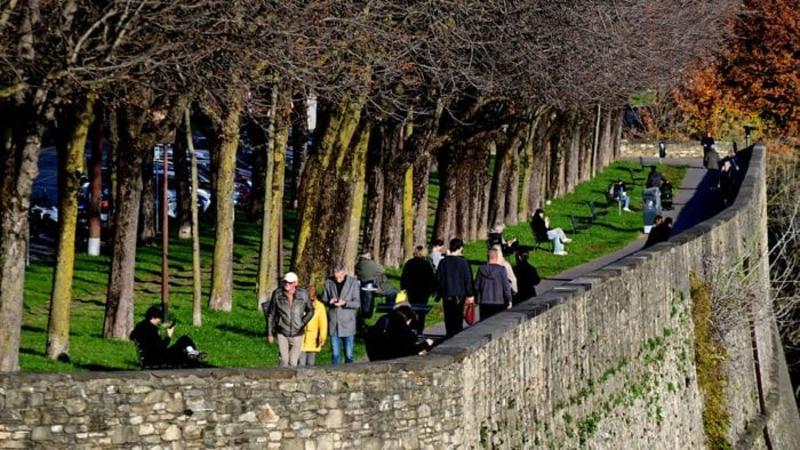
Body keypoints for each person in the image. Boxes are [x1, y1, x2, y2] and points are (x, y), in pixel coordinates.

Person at [130, 305, 205, 368]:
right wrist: (169, 335)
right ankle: (193, 355)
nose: (159, 321)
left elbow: (132, 336)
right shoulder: (152, 329)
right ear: (152, 318)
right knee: (184, 340)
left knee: (184, 348)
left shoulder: (139, 326)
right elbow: (162, 347)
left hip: (149, 358)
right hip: (157, 359)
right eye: (158, 318)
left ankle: (192, 355)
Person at [265, 272, 313, 367]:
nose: (287, 284)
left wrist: (302, 323)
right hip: (282, 331)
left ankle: (292, 381)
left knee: (293, 361)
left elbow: (310, 311)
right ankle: (281, 380)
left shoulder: (303, 294)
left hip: (298, 332)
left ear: (295, 283)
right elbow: (271, 314)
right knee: (284, 360)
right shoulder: (277, 294)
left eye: (290, 282)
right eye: (285, 282)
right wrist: (269, 333)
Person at [436, 238, 475, 337]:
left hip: (447, 293)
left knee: (448, 316)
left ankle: (449, 334)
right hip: (460, 294)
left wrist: (439, 292)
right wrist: (470, 294)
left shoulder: (443, 262)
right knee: (458, 317)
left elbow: (439, 279)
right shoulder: (463, 262)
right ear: (460, 248)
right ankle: (456, 335)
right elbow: (468, 279)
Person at [366, 305, 433, 361]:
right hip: (392, 360)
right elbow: (408, 351)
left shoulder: (382, 324)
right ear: (408, 320)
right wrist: (426, 344)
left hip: (375, 358)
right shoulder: (403, 332)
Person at [324, 263, 361, 364]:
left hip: (348, 323)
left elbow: (357, 303)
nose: (337, 278)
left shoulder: (353, 282)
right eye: (335, 275)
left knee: (349, 354)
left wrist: (345, 303)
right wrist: (329, 302)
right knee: (335, 355)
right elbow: (324, 299)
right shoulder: (328, 282)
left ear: (343, 272)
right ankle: (335, 375)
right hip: (334, 323)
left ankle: (350, 374)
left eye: (339, 276)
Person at [400, 246, 437, 334]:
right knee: (421, 311)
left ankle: (412, 327)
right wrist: (432, 289)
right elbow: (431, 278)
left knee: (412, 309)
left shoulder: (409, 263)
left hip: (411, 291)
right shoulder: (426, 264)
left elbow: (404, 278)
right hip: (423, 291)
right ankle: (420, 329)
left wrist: (403, 290)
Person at [475, 247, 512, 321]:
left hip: (484, 302)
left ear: (487, 257)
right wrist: (509, 299)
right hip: (499, 302)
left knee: (485, 324)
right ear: (497, 257)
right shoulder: (501, 270)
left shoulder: (481, 269)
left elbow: (476, 286)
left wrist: (477, 298)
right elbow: (506, 287)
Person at [299, 290, 327, 367]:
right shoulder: (299, 304)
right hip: (300, 337)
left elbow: (323, 323)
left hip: (314, 338)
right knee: (301, 363)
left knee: (311, 363)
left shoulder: (320, 306)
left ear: (315, 296)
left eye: (311, 297)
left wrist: (322, 337)